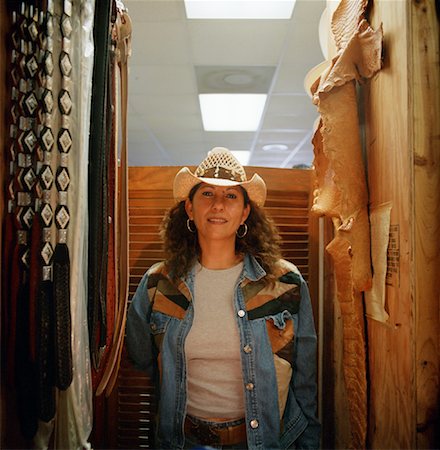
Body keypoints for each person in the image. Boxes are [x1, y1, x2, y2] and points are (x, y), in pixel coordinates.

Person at [126, 147, 320, 449]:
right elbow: (143, 359)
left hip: (265, 442)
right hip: (182, 442)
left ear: (245, 212)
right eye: (207, 194)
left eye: (230, 196)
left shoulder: (285, 284)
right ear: (190, 208)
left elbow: (305, 382)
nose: (218, 205)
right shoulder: (158, 285)